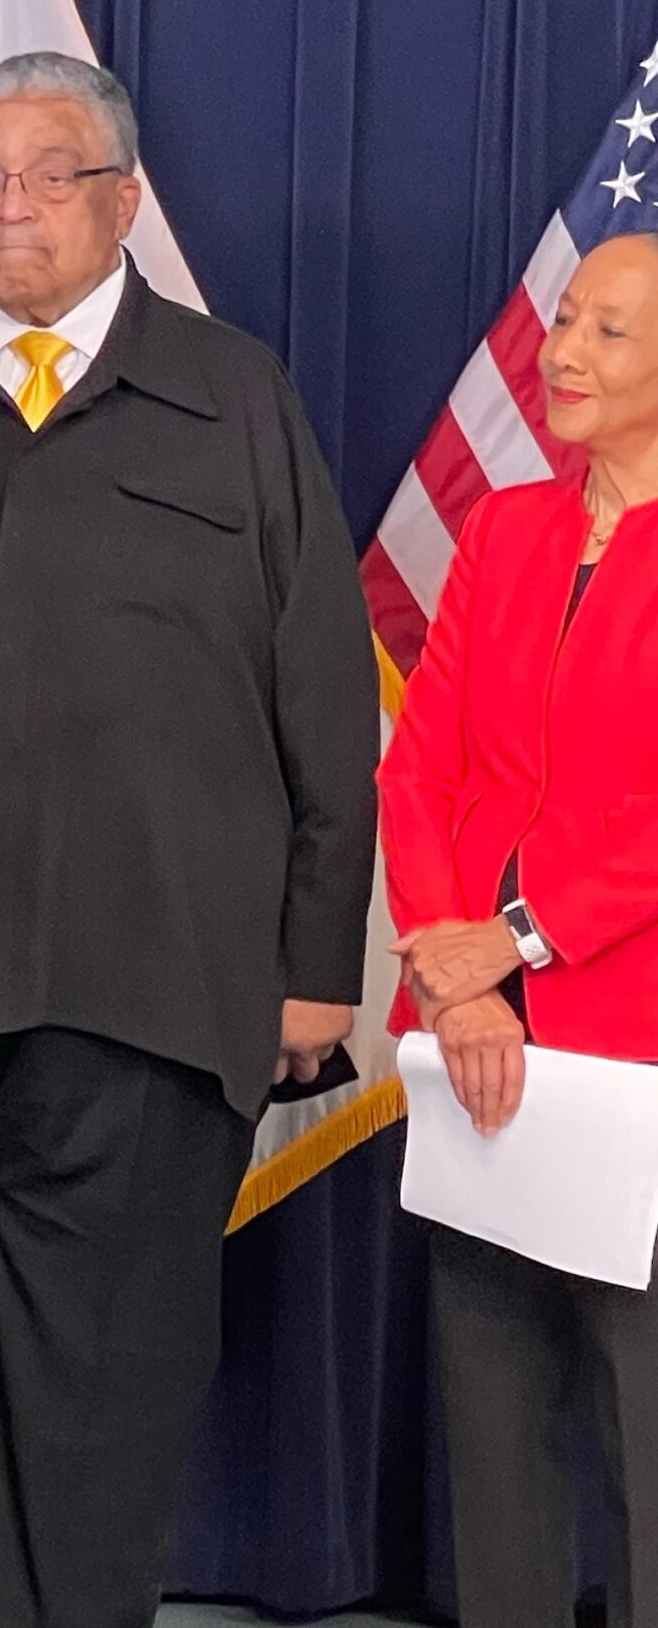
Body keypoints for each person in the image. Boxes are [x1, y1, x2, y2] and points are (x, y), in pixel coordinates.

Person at [0, 50, 378, 1628]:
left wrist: (315, 969)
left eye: (46, 175)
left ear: (121, 200)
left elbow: (321, 692)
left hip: (146, 987)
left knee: (96, 1406)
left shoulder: (236, 395)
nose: (8, 206)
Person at [380, 228, 658, 1627]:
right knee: (493, 1448)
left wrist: (524, 935)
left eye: (608, 330)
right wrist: (455, 969)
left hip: (635, 1064)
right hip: (483, 1059)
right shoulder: (505, 528)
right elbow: (417, 768)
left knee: (649, 1445)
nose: (562, 351)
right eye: (565, 319)